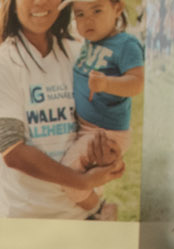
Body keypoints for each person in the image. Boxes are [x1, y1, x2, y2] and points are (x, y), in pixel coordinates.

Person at [0, 0, 123, 220]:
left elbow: (97, 127)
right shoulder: (4, 63)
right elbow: (12, 150)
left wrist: (111, 157)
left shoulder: (79, 54)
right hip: (28, 221)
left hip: (83, 216)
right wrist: (82, 182)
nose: (40, 2)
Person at [65, 0, 144, 215]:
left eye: (96, 10)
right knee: (86, 173)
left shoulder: (126, 44)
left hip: (105, 132)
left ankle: (100, 211)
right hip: (87, 128)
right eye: (79, 14)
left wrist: (107, 83)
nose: (87, 19)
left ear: (117, 9)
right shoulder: (90, 43)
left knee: (69, 179)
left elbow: (137, 82)